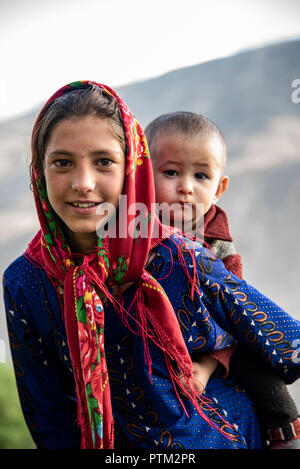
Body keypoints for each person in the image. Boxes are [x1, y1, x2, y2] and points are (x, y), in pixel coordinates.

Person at [3, 81, 300, 450]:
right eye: (62, 162)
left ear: (132, 170)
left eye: (104, 162)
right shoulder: (25, 281)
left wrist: (213, 363)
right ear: (39, 170)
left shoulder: (181, 259)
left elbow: (286, 340)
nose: (83, 183)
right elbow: (49, 416)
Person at [144, 111, 300, 448]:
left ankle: (284, 432)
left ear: (219, 188)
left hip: (217, 340)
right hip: (158, 342)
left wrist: (207, 365)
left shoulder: (217, 242)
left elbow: (236, 315)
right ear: (142, 174)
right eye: (171, 172)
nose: (186, 187)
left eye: (201, 176)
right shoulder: (133, 231)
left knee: (264, 378)